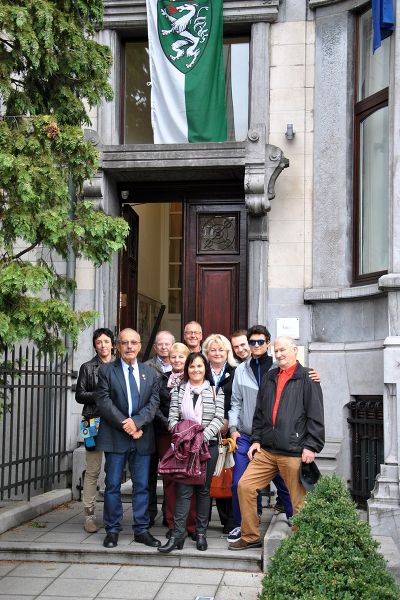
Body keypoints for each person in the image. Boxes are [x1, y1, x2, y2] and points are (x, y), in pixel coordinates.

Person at [229, 336, 325, 550]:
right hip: (267, 451)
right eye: (277, 350)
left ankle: (301, 543)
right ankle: (250, 536)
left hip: (294, 451)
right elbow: (260, 413)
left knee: (298, 500)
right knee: (244, 486)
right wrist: (255, 439)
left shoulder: (307, 378)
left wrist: (312, 446)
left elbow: (316, 415)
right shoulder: (270, 377)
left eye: (283, 350)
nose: (279, 354)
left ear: (294, 351)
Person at [95, 328, 161, 549]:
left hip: (142, 437)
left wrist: (137, 423)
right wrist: (127, 425)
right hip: (115, 436)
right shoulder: (106, 371)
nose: (130, 346)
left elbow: (153, 404)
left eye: (134, 342)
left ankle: (141, 530)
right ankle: (112, 530)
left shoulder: (150, 372)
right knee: (112, 484)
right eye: (125, 343)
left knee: (142, 486)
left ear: (140, 346)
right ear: (118, 346)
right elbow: (103, 402)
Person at [158, 352, 224, 553]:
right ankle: (178, 536)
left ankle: (201, 534)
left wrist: (200, 438)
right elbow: (172, 418)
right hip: (184, 448)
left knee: (203, 491)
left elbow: (219, 419)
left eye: (200, 366)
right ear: (187, 369)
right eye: (192, 366)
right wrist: (184, 437)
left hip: (207, 446)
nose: (196, 370)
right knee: (184, 491)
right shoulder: (178, 390)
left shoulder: (216, 391)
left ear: (206, 368)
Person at [154, 342, 197, 538]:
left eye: (181, 356)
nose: (177, 360)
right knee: (170, 479)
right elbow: (154, 405)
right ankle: (172, 523)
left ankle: (191, 525)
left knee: (190, 478)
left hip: (189, 436)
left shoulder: (195, 379)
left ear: (187, 358)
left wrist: (184, 429)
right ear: (168, 360)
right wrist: (170, 425)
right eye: (174, 357)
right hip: (167, 434)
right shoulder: (162, 380)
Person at [75, 327, 114, 533]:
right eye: (99, 342)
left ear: (112, 343)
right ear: (95, 345)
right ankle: (89, 515)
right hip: (91, 421)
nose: (103, 345)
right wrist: (100, 394)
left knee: (113, 468)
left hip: (113, 423)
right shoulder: (87, 367)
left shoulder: (119, 366)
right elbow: (79, 395)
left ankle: (110, 514)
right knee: (92, 469)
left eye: (106, 341)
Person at [202, 333, 237, 534]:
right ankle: (202, 522)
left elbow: (238, 399)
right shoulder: (200, 370)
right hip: (205, 432)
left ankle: (228, 523)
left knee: (225, 474)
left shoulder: (236, 371)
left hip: (226, 431)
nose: (217, 353)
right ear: (207, 352)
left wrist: (228, 422)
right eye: (213, 349)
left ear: (227, 352)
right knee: (205, 477)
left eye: (221, 349)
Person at [145, 330, 175, 526]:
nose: (164, 347)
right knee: (148, 472)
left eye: (167, 344)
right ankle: (148, 514)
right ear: (155, 347)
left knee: (170, 474)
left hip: (169, 429)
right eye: (160, 344)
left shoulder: (181, 364)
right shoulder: (146, 366)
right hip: (149, 427)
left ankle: (168, 514)